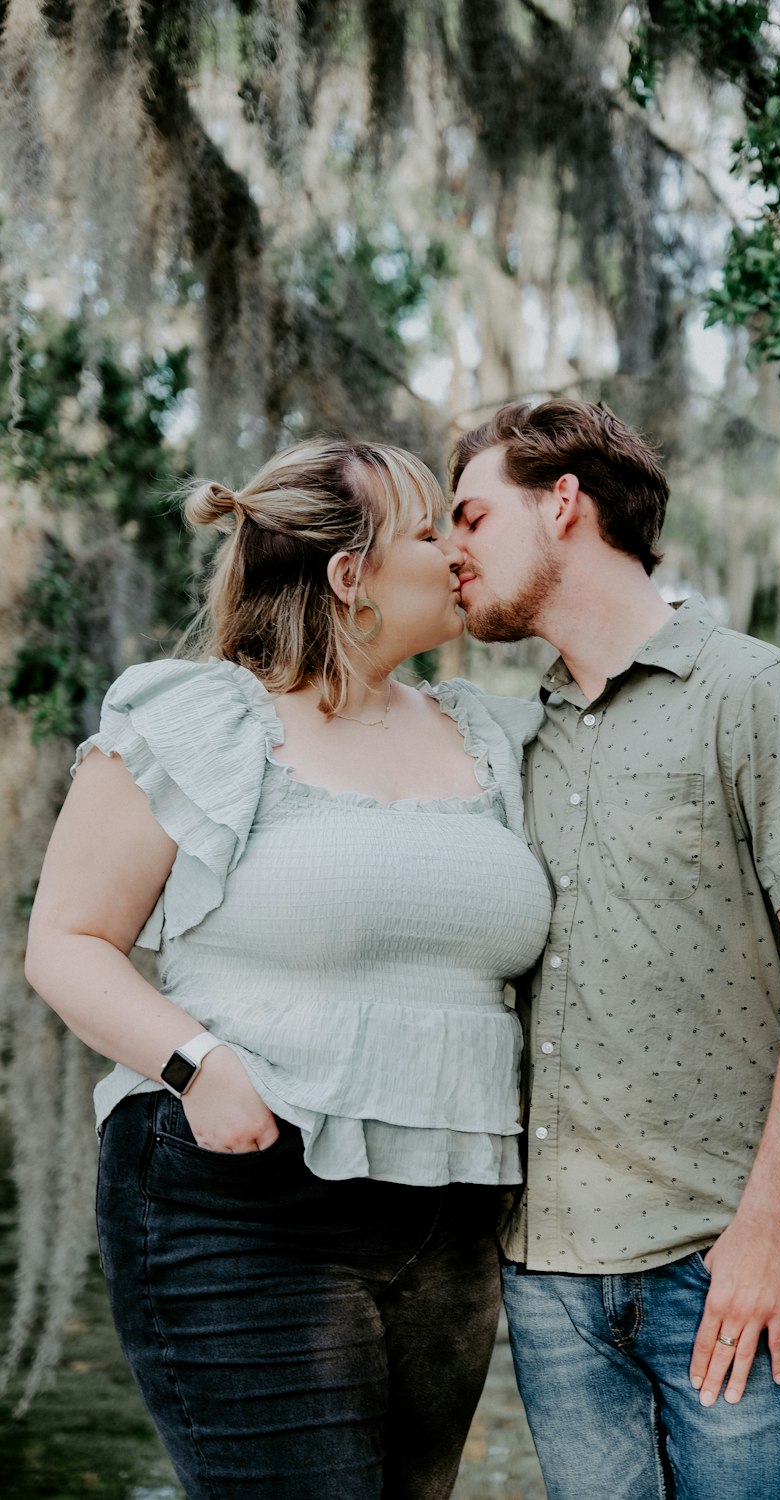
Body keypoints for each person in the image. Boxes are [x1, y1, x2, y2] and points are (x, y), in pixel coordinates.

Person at [24, 438, 553, 1500]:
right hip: (242, 1203)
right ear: (349, 577)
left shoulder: (486, 736)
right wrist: (199, 1066)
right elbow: (67, 942)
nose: (458, 551)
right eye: (427, 530)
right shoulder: (201, 721)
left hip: (449, 1219)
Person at [448, 400, 780, 1500]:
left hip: (719, 1260)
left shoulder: (754, 694)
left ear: (562, 503)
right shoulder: (514, 741)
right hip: (549, 1281)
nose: (451, 550)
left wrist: (764, 1234)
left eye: (470, 515)